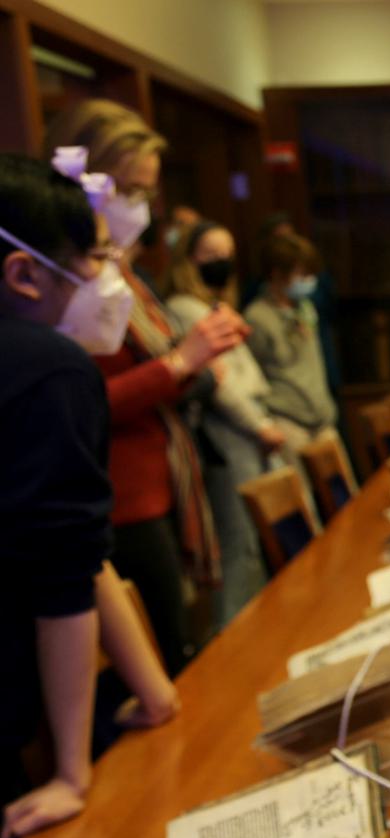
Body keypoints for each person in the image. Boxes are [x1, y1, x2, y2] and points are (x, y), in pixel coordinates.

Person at [43, 100, 246, 676]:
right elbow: (81, 405)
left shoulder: (121, 270)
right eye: (126, 190)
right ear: (82, 177)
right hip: (119, 500)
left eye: (145, 195)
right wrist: (182, 361)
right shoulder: (65, 280)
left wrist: (195, 362)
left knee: (180, 650)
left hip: (160, 485)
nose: (138, 209)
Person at [0, 153, 163, 838]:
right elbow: (65, 570)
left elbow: (76, 549)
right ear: (24, 273)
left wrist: (153, 691)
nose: (106, 281)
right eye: (91, 261)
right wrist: (72, 773)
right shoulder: (48, 367)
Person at [167, 221, 282, 625]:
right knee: (237, 547)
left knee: (252, 545)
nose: (221, 264)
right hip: (227, 438)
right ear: (188, 259)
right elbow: (219, 381)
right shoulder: (185, 308)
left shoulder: (215, 306)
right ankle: (233, 638)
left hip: (246, 433)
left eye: (227, 256)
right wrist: (260, 425)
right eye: (209, 256)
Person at [244, 231, 342, 465]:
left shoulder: (305, 308)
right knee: (302, 498)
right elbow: (254, 376)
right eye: (302, 274)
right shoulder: (256, 317)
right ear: (277, 274)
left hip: (322, 419)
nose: (308, 280)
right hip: (289, 421)